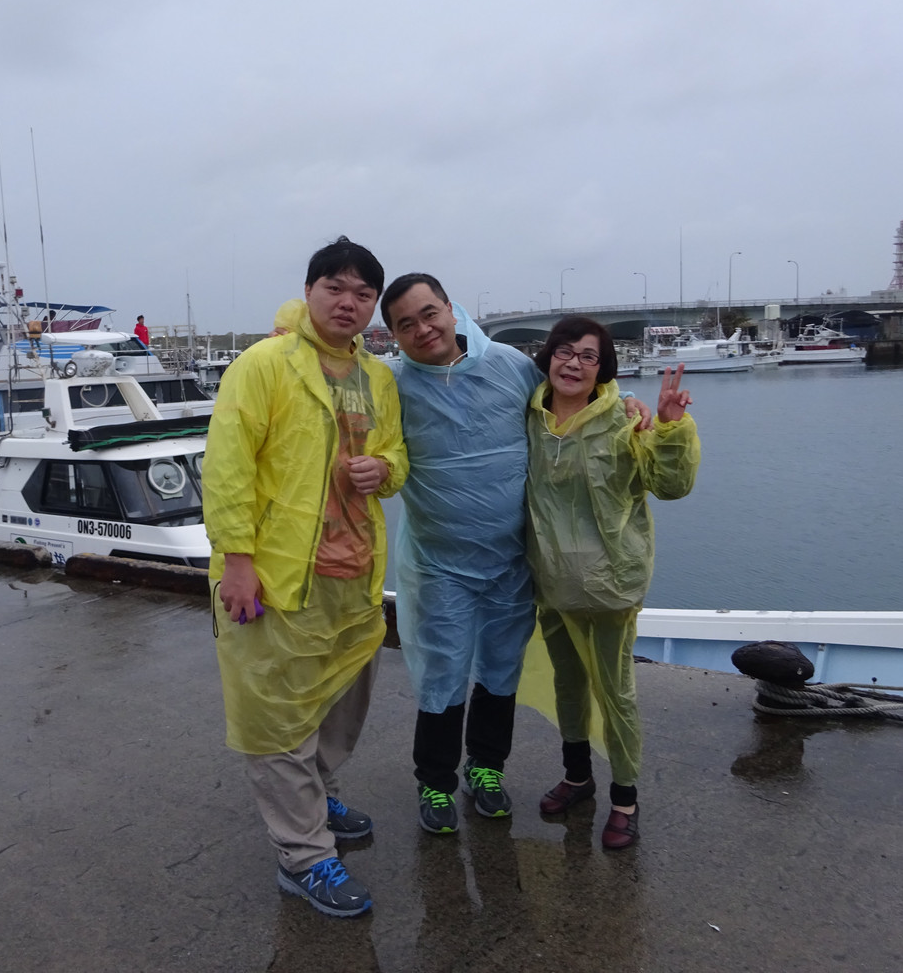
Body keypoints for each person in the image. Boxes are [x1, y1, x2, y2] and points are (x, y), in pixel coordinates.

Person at [377, 275, 650, 836]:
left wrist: (625, 404)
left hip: (512, 561)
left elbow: (570, 397)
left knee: (500, 672)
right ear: (393, 336)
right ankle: (435, 781)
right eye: (406, 324)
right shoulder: (392, 385)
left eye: (429, 313)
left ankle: (486, 768)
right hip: (440, 563)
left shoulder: (509, 366)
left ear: (450, 309)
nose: (422, 329)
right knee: (443, 673)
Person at [203, 236, 407, 919]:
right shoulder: (264, 365)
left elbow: (397, 458)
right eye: (334, 287)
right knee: (277, 717)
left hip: (355, 574)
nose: (348, 302)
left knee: (340, 703)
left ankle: (314, 795)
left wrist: (384, 470)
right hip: (278, 574)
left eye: (362, 293)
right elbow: (227, 466)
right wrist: (237, 562)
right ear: (310, 290)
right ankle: (303, 855)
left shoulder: (377, 378)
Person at [523, 316, 699, 850]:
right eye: (565, 351)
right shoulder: (529, 416)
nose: (573, 364)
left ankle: (625, 799)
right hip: (552, 582)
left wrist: (668, 428)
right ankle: (578, 777)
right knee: (568, 685)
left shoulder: (624, 421)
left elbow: (670, 486)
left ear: (603, 368)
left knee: (615, 691)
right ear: (548, 356)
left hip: (610, 586)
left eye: (588, 356)